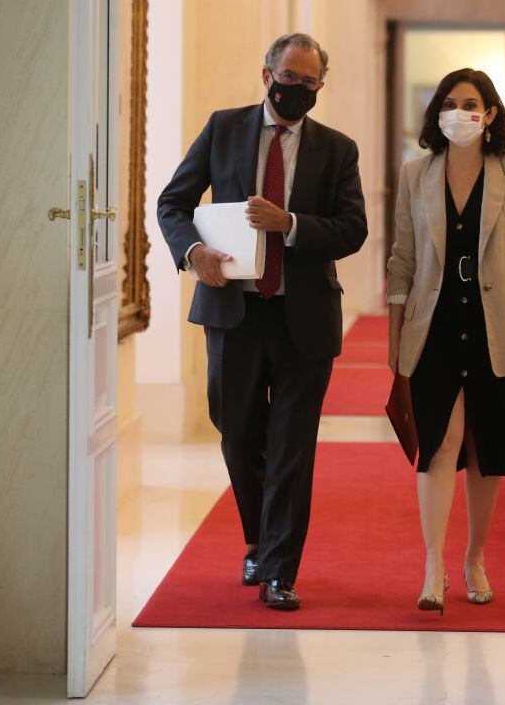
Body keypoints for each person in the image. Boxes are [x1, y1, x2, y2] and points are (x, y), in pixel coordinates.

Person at [157, 33, 367, 611]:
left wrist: (290, 222)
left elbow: (353, 230)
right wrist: (192, 253)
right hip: (234, 313)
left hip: (304, 318)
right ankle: (257, 537)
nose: (295, 88)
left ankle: (278, 568)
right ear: (266, 72)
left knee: (293, 446)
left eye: (308, 81)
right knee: (237, 430)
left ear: (320, 86)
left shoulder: (338, 149)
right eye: (288, 76)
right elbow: (172, 204)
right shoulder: (224, 128)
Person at [386, 69, 505, 614]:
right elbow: (402, 263)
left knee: (485, 451)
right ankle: (432, 565)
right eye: (449, 102)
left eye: (471, 104)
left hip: (497, 327)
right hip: (433, 326)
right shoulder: (417, 175)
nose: (458, 112)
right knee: (438, 443)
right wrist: (394, 346)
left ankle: (475, 557)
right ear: (437, 112)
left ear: (489, 115)